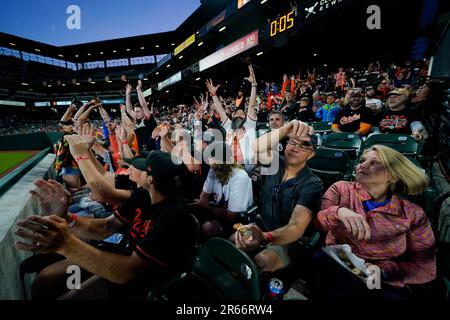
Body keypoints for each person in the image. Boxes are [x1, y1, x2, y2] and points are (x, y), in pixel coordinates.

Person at [15, 149, 198, 300]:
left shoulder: (176, 217)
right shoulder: (143, 195)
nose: (130, 168)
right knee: (45, 281)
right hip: (119, 258)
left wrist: (66, 244)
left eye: (144, 169)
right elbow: (106, 227)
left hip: (140, 285)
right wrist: (66, 217)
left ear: (150, 179)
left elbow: (128, 272)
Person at [312, 145, 436, 300]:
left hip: (382, 282)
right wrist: (338, 211)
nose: (362, 165)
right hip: (337, 267)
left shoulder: (412, 214)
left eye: (374, 162)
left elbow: (426, 269)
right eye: (362, 160)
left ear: (393, 176)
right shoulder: (341, 189)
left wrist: (382, 270)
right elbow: (318, 225)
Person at [234, 120, 323, 274]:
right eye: (293, 142)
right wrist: (284, 129)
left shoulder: (313, 183)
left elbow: (296, 227)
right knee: (232, 243)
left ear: (312, 154)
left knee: (263, 260)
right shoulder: (276, 163)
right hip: (262, 225)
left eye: (304, 145)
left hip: (291, 240)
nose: (296, 148)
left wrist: (265, 237)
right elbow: (256, 147)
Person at [125, 81, 157, 152]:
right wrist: (128, 94)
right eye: (135, 111)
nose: (135, 113)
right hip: (141, 152)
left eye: (138, 111)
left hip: (152, 151)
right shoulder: (137, 119)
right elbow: (129, 110)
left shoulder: (148, 118)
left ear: (143, 112)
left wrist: (139, 90)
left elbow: (143, 105)